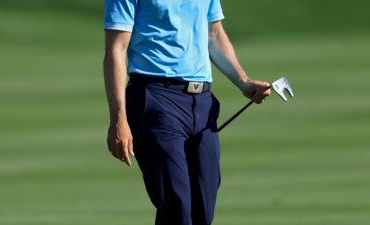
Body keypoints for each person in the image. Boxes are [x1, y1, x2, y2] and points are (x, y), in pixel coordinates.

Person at [103, 0, 271, 224]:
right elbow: (116, 49)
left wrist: (244, 82)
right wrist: (118, 117)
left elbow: (214, 33)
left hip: (203, 102)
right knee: (177, 208)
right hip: (156, 98)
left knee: (203, 209)